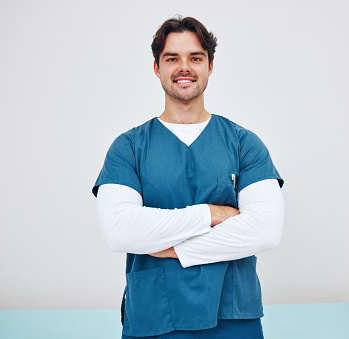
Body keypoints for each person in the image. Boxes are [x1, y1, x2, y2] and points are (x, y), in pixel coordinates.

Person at [93, 16, 284, 339]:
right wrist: (211, 214)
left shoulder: (243, 143)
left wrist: (174, 248)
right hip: (155, 316)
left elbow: (265, 231)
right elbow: (120, 231)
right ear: (156, 67)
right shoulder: (128, 147)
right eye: (172, 58)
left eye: (195, 58)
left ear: (210, 66)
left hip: (234, 317)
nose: (184, 67)